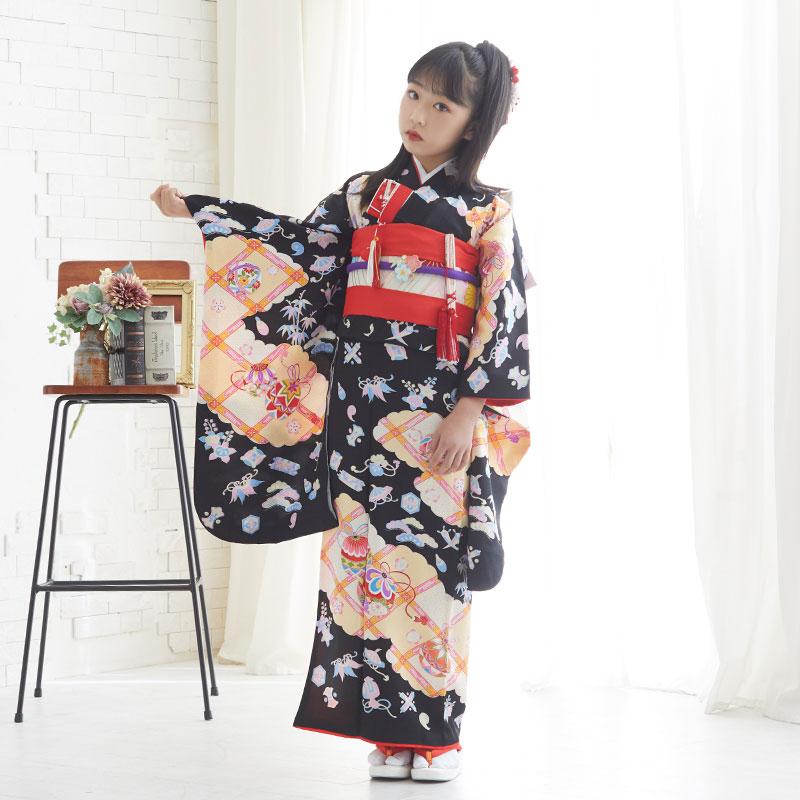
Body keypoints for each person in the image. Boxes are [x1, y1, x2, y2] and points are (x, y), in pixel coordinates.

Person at [151, 39, 534, 784]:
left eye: (442, 104)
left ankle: (434, 738)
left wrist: (469, 410)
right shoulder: (365, 197)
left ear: (475, 122)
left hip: (436, 416)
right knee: (361, 564)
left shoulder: (488, 212)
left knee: (431, 569)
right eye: (413, 93)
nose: (418, 114)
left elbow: (504, 315)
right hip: (360, 412)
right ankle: (383, 734)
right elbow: (298, 251)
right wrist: (202, 211)